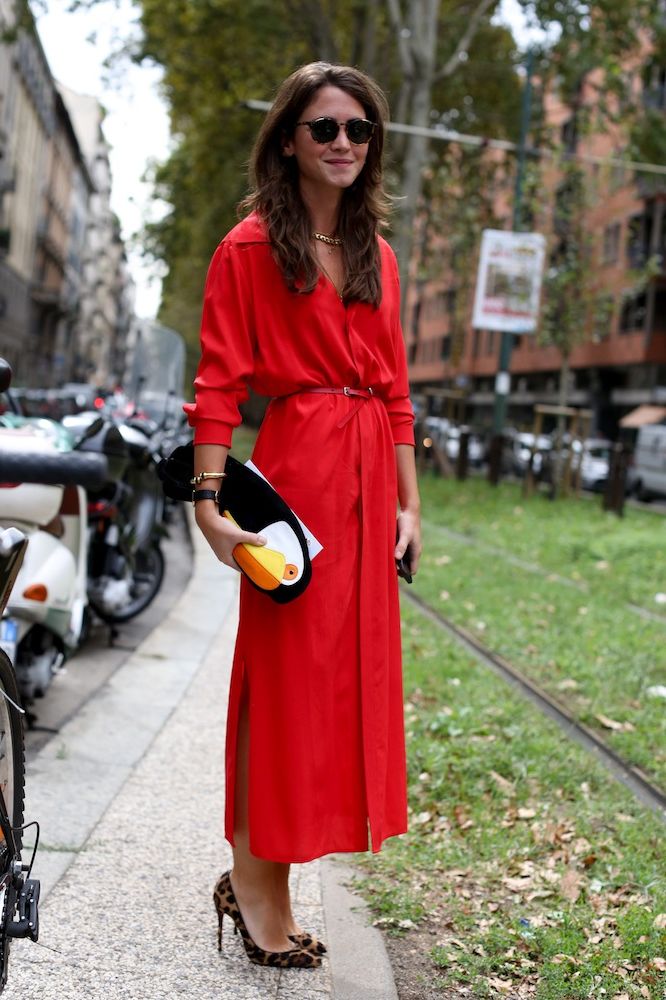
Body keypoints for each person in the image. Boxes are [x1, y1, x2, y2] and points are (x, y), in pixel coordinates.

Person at [184, 60, 422, 970]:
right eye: (325, 127)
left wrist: (410, 505)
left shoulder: (379, 258)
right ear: (289, 136)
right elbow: (217, 386)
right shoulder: (249, 249)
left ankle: (260, 875)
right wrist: (211, 506)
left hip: (368, 492)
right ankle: (257, 885)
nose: (343, 145)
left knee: (338, 692)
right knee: (285, 688)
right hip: (295, 488)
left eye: (359, 131)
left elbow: (397, 393)